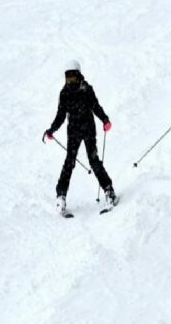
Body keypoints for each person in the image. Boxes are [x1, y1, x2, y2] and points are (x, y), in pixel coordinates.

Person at [43, 60, 117, 213]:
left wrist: (105, 119)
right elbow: (61, 116)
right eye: (67, 78)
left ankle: (109, 190)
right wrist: (51, 130)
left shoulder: (86, 89)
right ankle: (61, 196)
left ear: (78, 75)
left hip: (88, 129)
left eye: (72, 78)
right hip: (74, 132)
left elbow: (95, 106)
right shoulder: (64, 93)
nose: (70, 81)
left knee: (93, 160)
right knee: (69, 162)